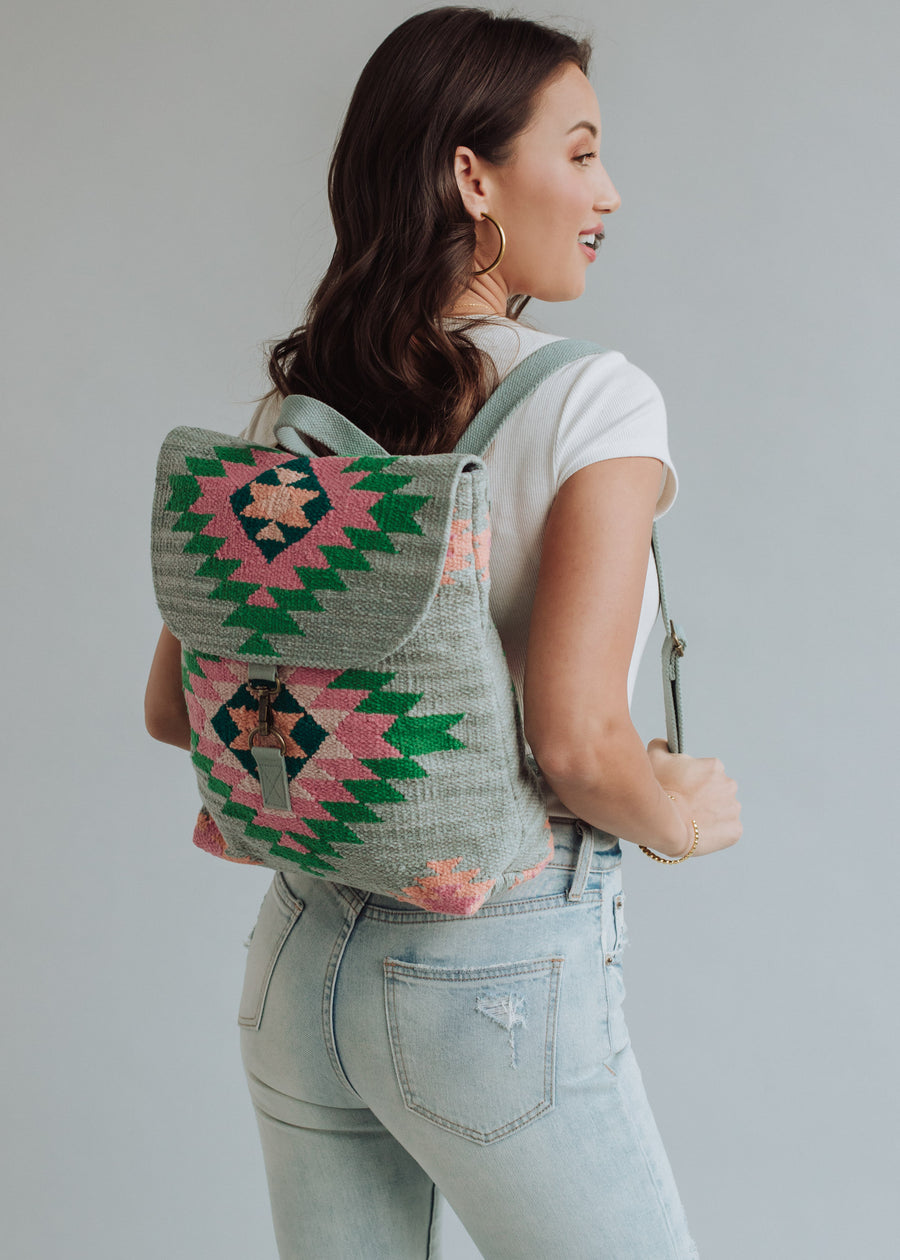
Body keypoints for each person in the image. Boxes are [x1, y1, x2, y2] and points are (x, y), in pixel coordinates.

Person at [145, 8, 741, 1257]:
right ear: (473, 176)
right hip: (491, 977)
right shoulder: (595, 400)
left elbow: (173, 709)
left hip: (298, 965)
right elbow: (578, 746)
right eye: (578, 153)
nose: (609, 192)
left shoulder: (301, 415)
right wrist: (683, 813)